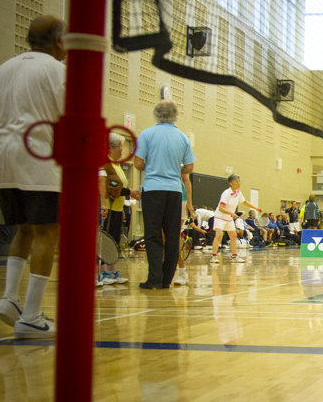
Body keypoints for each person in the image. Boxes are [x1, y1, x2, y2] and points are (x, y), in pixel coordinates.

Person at [0, 15, 66, 338]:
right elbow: (67, 121)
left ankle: (9, 298)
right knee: (47, 232)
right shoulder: (58, 71)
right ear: (58, 42)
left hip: (2, 157)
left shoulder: (2, 69)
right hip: (38, 157)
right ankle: (31, 315)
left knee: (24, 229)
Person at [134, 101, 195, 288]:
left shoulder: (146, 134)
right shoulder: (183, 138)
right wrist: (174, 170)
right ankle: (167, 279)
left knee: (152, 234)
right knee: (171, 235)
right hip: (175, 191)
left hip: (153, 189)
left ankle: (154, 278)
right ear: (175, 115)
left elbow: (137, 164)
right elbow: (190, 167)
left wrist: (152, 167)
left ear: (156, 114)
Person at [97, 133, 139, 285]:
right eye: (120, 147)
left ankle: (111, 270)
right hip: (106, 207)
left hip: (116, 208)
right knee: (104, 240)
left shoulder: (117, 166)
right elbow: (110, 188)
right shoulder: (105, 164)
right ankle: (101, 273)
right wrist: (131, 192)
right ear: (110, 148)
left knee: (114, 241)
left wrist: (121, 207)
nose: (122, 151)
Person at [209, 174, 260, 265]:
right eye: (237, 181)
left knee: (233, 236)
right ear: (231, 183)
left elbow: (244, 202)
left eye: (239, 181)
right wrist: (232, 213)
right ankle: (213, 256)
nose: (239, 183)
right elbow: (221, 208)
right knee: (219, 235)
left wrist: (255, 208)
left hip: (228, 218)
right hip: (220, 217)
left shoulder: (238, 193)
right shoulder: (226, 193)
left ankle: (234, 256)